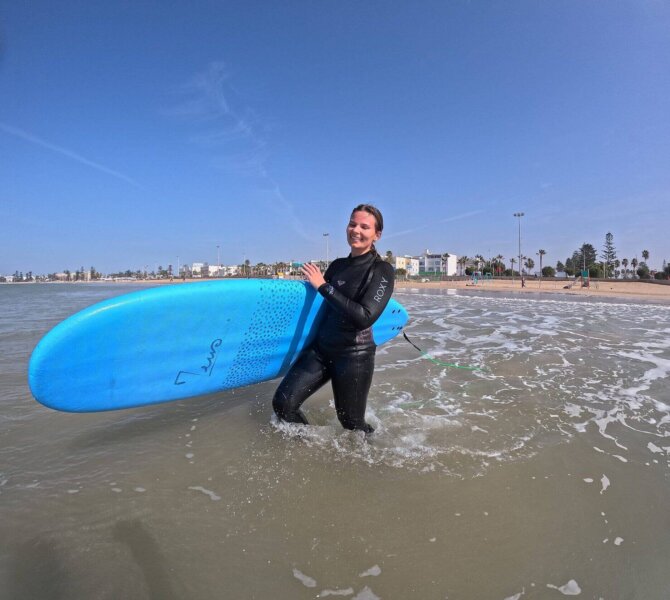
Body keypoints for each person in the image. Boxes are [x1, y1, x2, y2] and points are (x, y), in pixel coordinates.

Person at [272, 204, 395, 434]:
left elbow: (364, 317)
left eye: (364, 226)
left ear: (376, 235)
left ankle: (371, 452)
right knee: (283, 404)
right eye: (352, 223)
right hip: (321, 350)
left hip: (354, 355)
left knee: (351, 424)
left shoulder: (382, 270)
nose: (355, 230)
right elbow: (318, 306)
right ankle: (309, 447)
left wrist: (323, 286)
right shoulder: (338, 266)